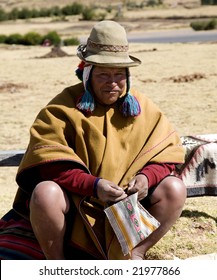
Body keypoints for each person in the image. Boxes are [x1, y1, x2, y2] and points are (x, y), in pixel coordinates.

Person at [0, 20, 186, 260]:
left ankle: (134, 254)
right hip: (77, 206)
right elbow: (49, 166)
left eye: (119, 74)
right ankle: (58, 265)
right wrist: (94, 186)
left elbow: (167, 156)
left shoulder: (143, 108)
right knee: (45, 192)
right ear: (87, 73)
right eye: (103, 75)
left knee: (174, 187)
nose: (112, 83)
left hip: (125, 208)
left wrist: (145, 178)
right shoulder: (61, 108)